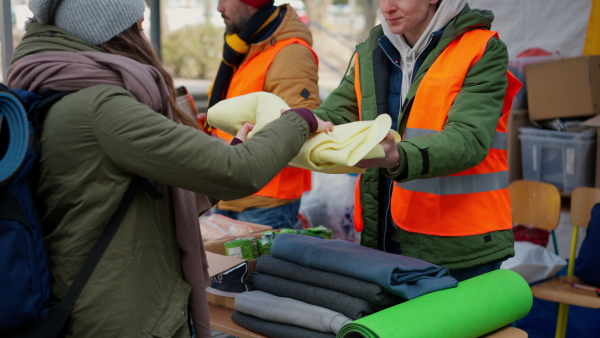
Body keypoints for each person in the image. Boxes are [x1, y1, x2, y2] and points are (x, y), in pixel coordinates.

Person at [5, 0, 332, 337]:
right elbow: (238, 171)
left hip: (97, 304)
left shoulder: (56, 87)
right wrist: (298, 120)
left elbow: (143, 185)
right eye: (140, 26)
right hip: (123, 316)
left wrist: (227, 156)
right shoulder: (99, 106)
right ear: (114, 31)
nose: (145, 39)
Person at [311, 0, 522, 282]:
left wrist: (397, 155)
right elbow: (334, 114)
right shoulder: (371, 51)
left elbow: (468, 139)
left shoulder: (482, 49)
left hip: (460, 245)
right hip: (383, 234)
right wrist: (295, 122)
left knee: (455, 327)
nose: (387, 7)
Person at [208, 0, 320, 229]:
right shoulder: (246, 46)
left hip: (265, 202)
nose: (219, 8)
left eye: (225, 1)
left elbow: (297, 131)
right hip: (231, 190)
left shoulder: (290, 54)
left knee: (257, 266)